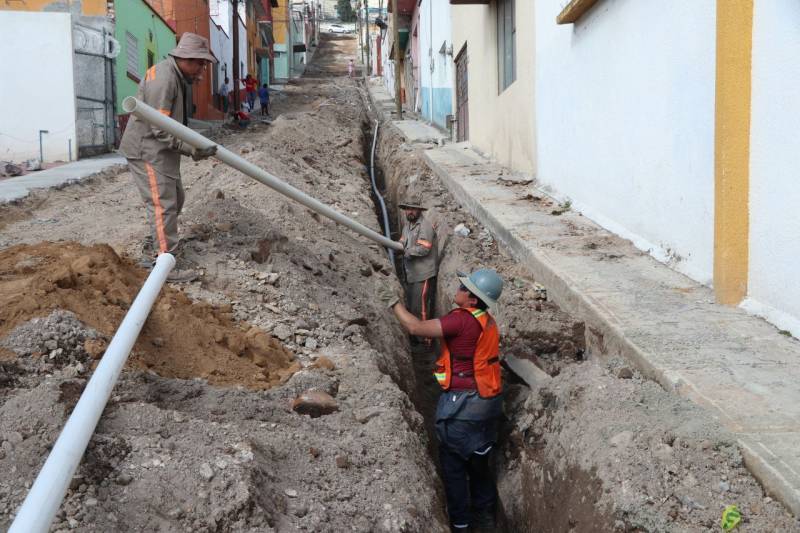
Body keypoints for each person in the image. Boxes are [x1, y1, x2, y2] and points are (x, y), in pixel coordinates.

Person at [378, 269, 505, 532]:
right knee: (480, 464)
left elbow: (415, 327)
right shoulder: (486, 321)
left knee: (455, 469)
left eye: (463, 287)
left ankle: (460, 524)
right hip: (488, 405)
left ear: (472, 300)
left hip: (462, 409)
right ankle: (486, 518)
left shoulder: (461, 321)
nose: (458, 288)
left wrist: (394, 304)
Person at [119, 32, 218, 283]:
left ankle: (155, 244)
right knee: (164, 205)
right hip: (148, 150)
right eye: (201, 64)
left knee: (177, 198)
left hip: (160, 150)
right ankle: (164, 261)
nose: (202, 70)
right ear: (187, 58)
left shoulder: (174, 75)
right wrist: (191, 148)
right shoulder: (165, 79)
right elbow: (160, 128)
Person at [398, 193, 438, 344]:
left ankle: (425, 341)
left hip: (423, 274)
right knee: (412, 306)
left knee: (420, 309)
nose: (410, 211)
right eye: (408, 209)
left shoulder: (425, 226)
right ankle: (416, 337)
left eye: (413, 209)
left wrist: (407, 252)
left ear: (419, 210)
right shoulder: (408, 225)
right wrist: (398, 246)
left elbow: (424, 248)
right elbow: (402, 241)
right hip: (411, 273)